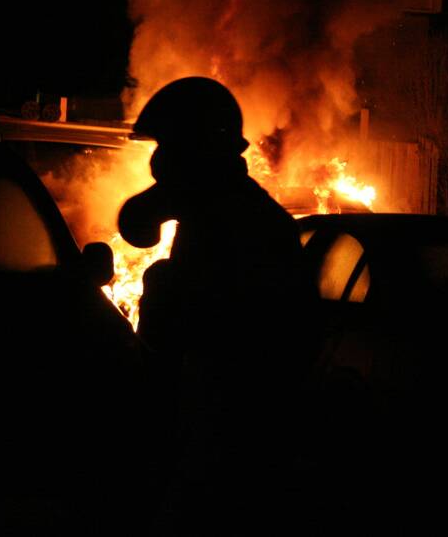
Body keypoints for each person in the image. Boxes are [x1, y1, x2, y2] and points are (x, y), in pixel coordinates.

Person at [118, 77, 321, 532]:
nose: (158, 163)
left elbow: (228, 327)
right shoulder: (218, 211)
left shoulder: (237, 222)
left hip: (231, 429)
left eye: (168, 148)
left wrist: (167, 298)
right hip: (218, 421)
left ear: (195, 152)